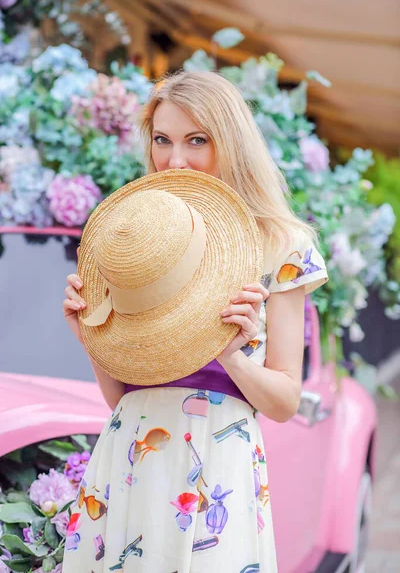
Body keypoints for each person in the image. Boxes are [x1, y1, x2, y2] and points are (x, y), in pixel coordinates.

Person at [62, 71, 328, 573]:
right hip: (130, 457)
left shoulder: (281, 244)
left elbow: (285, 402)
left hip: (217, 467)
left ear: (230, 142)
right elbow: (125, 398)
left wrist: (230, 352)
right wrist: (91, 339)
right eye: (162, 139)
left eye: (197, 140)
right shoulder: (139, 241)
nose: (175, 159)